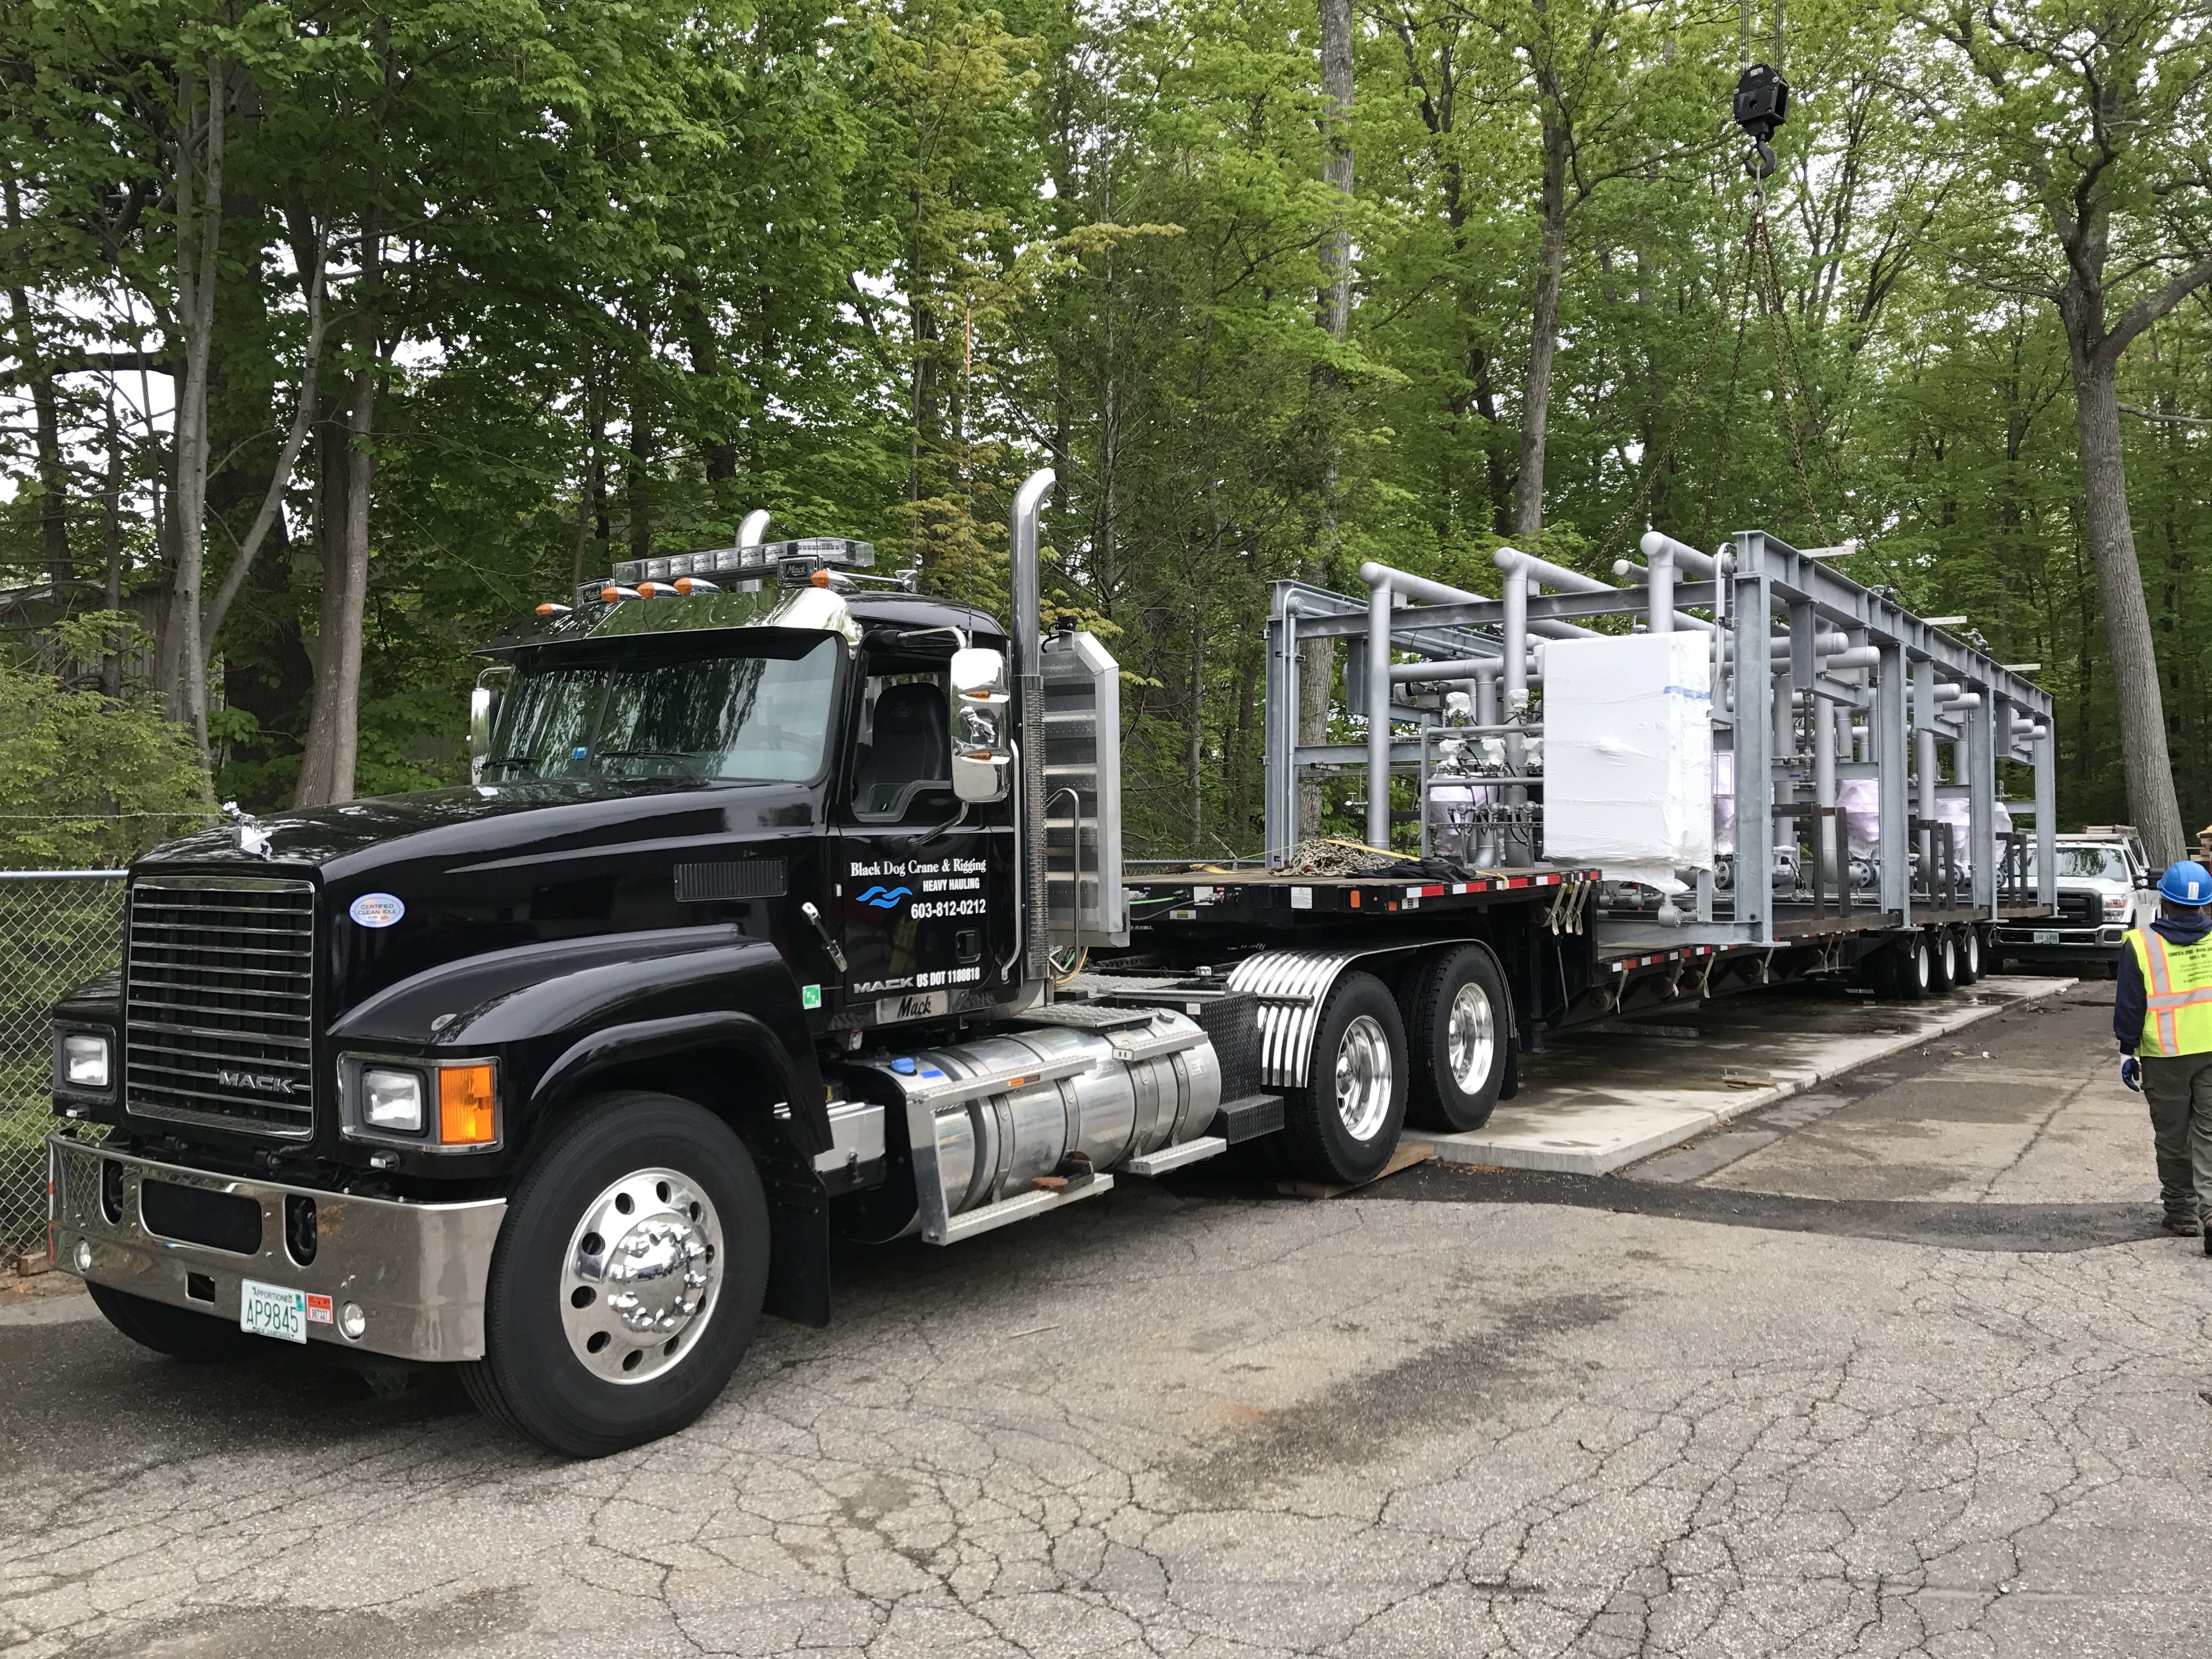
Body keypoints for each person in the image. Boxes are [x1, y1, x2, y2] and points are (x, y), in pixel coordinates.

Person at [2115, 860, 2212, 1244]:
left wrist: (2127, 1051)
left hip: (2165, 1055)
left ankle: (2183, 1212)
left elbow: (2130, 1005)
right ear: (2205, 905)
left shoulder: (2140, 944)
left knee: (2173, 1137)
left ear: (2164, 902)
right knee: (2209, 1134)